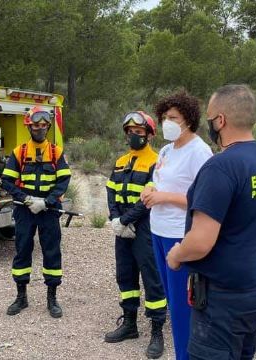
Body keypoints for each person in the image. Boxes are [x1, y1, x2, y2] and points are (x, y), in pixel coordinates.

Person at [166, 84, 256, 360]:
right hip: (255, 289)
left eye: (209, 116)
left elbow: (201, 242)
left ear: (221, 120)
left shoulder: (221, 167)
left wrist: (177, 255)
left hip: (222, 300)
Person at [141, 92, 212, 360]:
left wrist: (164, 197)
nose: (166, 123)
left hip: (179, 237)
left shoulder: (200, 151)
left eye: (173, 118)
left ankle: (185, 355)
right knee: (172, 301)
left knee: (183, 308)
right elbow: (159, 180)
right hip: (158, 230)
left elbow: (203, 200)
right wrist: (150, 189)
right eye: (164, 118)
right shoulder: (166, 149)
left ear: (188, 120)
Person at [104, 111, 167, 359]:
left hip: (145, 228)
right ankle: (130, 324)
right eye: (130, 132)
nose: (133, 136)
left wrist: (127, 220)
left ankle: (157, 331)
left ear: (150, 135)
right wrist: (115, 220)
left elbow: (149, 198)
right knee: (125, 276)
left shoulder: (156, 161)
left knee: (152, 279)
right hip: (122, 228)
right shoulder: (120, 161)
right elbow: (111, 192)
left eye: (139, 133)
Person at [0, 106, 71, 318]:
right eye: (35, 126)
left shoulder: (56, 152)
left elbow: (63, 180)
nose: (39, 129)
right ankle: (21, 297)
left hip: (48, 211)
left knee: (51, 252)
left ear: (48, 127)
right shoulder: (19, 152)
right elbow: (7, 181)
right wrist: (26, 199)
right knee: (22, 250)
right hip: (25, 211)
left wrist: (47, 202)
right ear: (28, 127)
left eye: (43, 126)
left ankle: (52, 298)